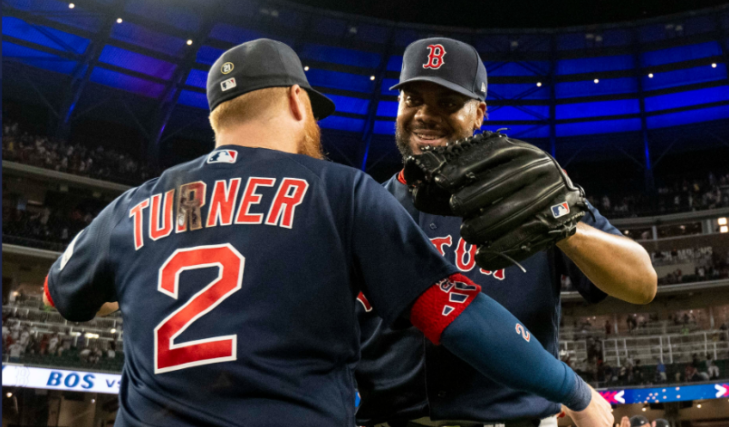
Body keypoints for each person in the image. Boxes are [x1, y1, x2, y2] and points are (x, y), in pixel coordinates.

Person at [42, 39, 611, 427]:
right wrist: (576, 392)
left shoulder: (133, 206)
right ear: (296, 100)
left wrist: (138, 285)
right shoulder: (340, 192)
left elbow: (58, 293)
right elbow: (454, 315)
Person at [355, 37, 656, 427]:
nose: (425, 115)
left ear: (479, 113)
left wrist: (561, 226)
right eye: (413, 99)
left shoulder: (530, 187)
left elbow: (642, 283)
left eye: (447, 103)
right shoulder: (367, 205)